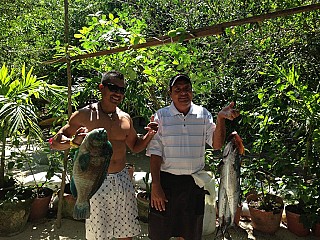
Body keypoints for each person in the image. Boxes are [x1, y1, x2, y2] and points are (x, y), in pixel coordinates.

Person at [50, 70, 158, 240]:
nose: (118, 93)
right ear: (101, 88)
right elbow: (55, 143)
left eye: (122, 90)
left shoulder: (125, 118)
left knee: (126, 232)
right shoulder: (84, 115)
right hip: (95, 181)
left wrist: (149, 135)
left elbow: (135, 147)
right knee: (99, 235)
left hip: (122, 178)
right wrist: (73, 143)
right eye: (113, 88)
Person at [146, 73, 240, 240]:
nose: (183, 93)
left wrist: (220, 119)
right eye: (178, 89)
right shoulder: (161, 116)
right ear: (170, 93)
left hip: (193, 184)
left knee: (189, 233)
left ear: (192, 92)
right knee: (160, 233)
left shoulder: (203, 114)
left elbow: (217, 144)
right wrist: (156, 185)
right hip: (166, 183)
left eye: (187, 89)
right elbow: (155, 153)